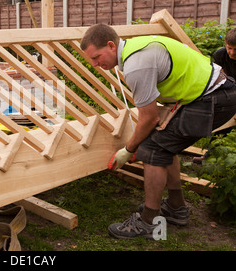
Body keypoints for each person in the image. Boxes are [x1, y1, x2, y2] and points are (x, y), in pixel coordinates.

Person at [80, 24, 236, 239]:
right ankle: (176, 208)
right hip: (214, 92)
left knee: (153, 149)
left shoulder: (136, 65)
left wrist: (129, 148)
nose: (96, 64)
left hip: (213, 98)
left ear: (110, 45)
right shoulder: (137, 47)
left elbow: (149, 118)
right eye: (92, 61)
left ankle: (148, 221)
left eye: (97, 57)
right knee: (163, 143)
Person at [193, 28, 236, 163]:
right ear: (225, 42)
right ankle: (210, 155)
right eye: (229, 48)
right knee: (223, 120)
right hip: (230, 89)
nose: (232, 53)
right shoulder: (219, 55)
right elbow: (220, 79)